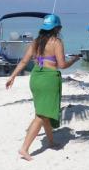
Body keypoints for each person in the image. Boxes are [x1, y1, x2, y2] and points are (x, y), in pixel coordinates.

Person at [5, 14, 82, 161]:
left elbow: (23, 62)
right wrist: (74, 59)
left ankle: (51, 141)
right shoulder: (56, 42)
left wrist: (12, 77)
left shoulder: (36, 42)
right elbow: (61, 65)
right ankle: (24, 148)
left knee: (42, 111)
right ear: (56, 28)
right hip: (48, 79)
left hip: (36, 78)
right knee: (41, 115)